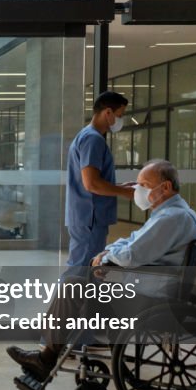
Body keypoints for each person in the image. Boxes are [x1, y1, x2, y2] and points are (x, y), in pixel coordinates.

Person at [7, 159, 196, 379]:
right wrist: (107, 255)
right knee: (78, 284)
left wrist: (107, 260)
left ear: (165, 187)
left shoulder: (172, 218)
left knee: (73, 287)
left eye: (144, 185)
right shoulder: (169, 214)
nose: (137, 190)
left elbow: (132, 254)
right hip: (148, 288)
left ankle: (46, 359)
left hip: (148, 297)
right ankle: (49, 353)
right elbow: (131, 241)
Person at [65, 91, 136, 267]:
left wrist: (119, 186)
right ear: (108, 112)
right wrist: (125, 192)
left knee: (82, 268)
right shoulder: (93, 139)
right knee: (82, 270)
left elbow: (93, 180)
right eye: (120, 115)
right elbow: (92, 183)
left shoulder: (86, 136)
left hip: (86, 216)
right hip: (91, 218)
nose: (120, 120)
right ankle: (66, 296)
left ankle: (74, 295)